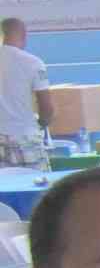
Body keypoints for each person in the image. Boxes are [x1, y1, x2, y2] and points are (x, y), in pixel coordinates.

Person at [0, 16, 52, 166]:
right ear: (23, 35)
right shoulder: (33, 62)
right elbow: (46, 106)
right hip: (25, 137)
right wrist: (42, 123)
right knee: (36, 179)